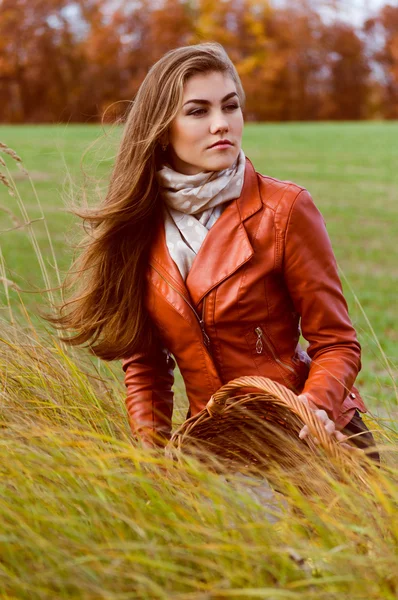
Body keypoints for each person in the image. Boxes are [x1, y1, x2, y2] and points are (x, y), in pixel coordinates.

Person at [56, 43, 379, 462]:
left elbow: (337, 342)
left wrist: (314, 409)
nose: (221, 124)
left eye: (230, 107)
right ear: (161, 128)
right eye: (198, 111)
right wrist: (150, 464)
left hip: (309, 436)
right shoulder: (136, 226)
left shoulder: (285, 209)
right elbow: (146, 368)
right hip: (213, 449)